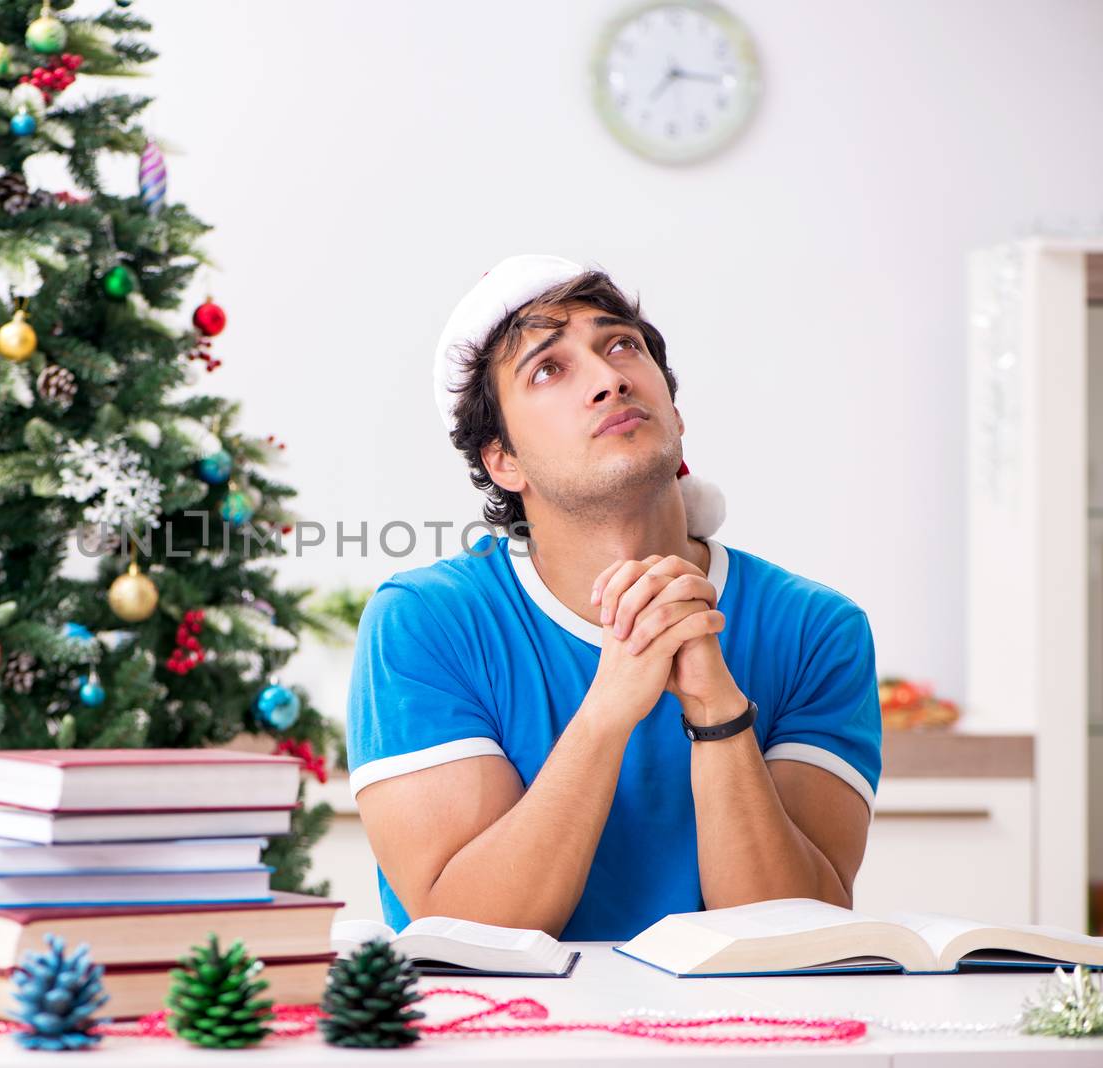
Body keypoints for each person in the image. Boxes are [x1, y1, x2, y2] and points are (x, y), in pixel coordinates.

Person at [346, 255, 881, 941]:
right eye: (549, 368)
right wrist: (607, 713)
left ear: (676, 411)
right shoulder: (426, 624)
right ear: (502, 461)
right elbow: (465, 929)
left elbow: (794, 936)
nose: (609, 379)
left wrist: (718, 712)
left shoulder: (814, 630)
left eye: (619, 345)